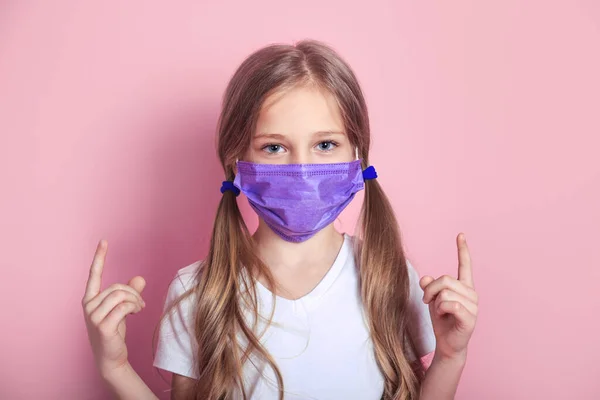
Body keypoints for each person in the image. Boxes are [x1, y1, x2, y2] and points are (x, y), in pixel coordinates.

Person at [83, 39, 478, 400]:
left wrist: (449, 357)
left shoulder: (389, 277)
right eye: (274, 147)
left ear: (357, 154)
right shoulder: (197, 293)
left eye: (325, 145)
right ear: (236, 160)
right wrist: (114, 369)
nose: (302, 170)